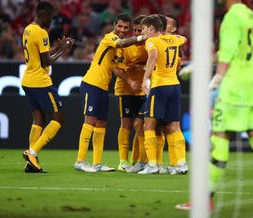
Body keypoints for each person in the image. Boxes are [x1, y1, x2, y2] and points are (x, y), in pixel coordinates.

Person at [176, 0, 253, 212]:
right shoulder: (248, 14)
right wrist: (200, 64)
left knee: (219, 139)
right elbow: (233, 49)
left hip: (233, 89)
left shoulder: (230, 18)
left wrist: (215, 80)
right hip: (251, 87)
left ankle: (206, 199)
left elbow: (226, 56)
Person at [74, 13, 147, 173]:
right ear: (115, 26)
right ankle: (80, 160)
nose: (122, 29)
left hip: (103, 87)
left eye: (125, 27)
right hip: (91, 83)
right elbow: (121, 43)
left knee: (101, 124)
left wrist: (129, 80)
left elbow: (115, 68)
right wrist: (142, 38)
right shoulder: (110, 38)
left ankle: (97, 163)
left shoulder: (119, 50)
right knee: (90, 121)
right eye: (120, 26)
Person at [22, 1, 74, 173]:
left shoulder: (28, 29)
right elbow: (47, 61)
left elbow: (41, 54)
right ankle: (32, 152)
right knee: (58, 118)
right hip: (41, 82)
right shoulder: (41, 32)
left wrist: (57, 47)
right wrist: (63, 50)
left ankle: (32, 161)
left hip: (28, 80)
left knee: (38, 119)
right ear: (44, 15)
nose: (51, 21)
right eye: (50, 18)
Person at [138, 15, 188, 175]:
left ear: (152, 29)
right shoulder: (174, 39)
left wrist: (146, 78)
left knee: (149, 124)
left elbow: (152, 55)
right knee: (174, 126)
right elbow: (184, 39)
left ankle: (152, 165)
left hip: (159, 87)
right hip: (174, 86)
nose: (143, 32)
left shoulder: (152, 41)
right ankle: (180, 163)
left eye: (144, 29)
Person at [115, 15, 148, 171]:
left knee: (140, 125)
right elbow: (118, 68)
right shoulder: (126, 45)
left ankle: (140, 160)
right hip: (125, 89)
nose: (135, 33)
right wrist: (131, 78)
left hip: (142, 90)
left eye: (139, 30)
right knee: (126, 125)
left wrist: (142, 66)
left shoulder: (149, 45)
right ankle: (123, 161)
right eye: (134, 30)